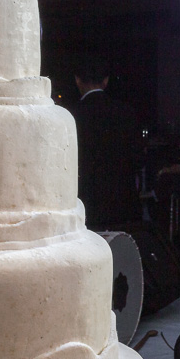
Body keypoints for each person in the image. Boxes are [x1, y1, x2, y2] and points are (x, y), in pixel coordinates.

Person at [70, 58, 143, 230]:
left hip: (87, 202)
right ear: (106, 81)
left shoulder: (72, 115)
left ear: (77, 80)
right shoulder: (126, 112)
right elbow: (138, 157)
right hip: (123, 201)